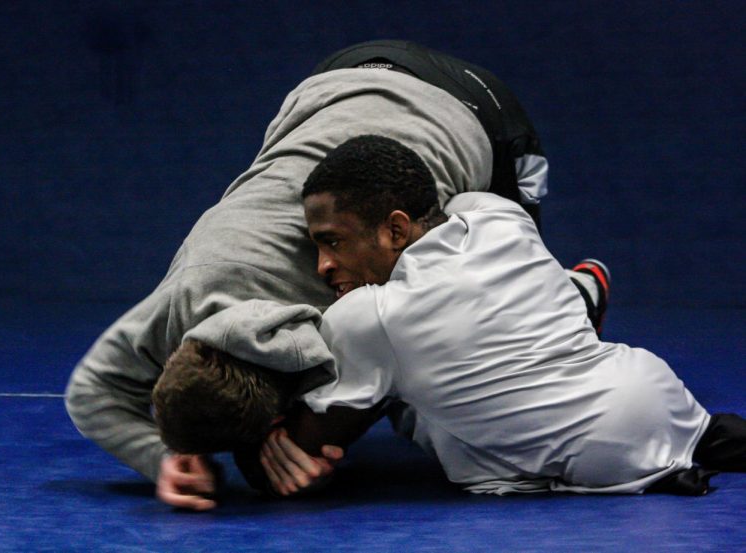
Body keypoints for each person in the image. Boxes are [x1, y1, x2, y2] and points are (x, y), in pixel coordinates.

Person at [64, 40, 591, 511]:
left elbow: (92, 395)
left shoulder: (348, 310)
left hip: (478, 114)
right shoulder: (189, 294)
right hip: (334, 82)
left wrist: (277, 452)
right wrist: (165, 453)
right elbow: (92, 390)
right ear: (187, 342)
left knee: (508, 339)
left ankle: (579, 290)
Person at [241, 134, 742, 496]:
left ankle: (575, 297)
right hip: (660, 393)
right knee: (455, 363)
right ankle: (575, 293)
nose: (323, 266)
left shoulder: (367, 316)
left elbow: (310, 441)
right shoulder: (496, 215)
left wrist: (263, 446)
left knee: (413, 409)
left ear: (395, 230)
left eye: (333, 242)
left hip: (601, 461)